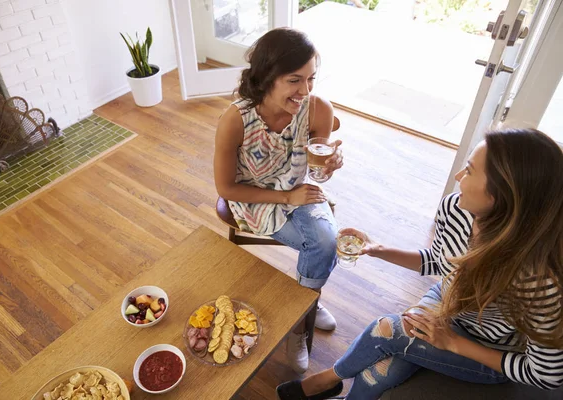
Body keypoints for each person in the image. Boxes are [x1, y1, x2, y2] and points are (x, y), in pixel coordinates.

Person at [277, 128, 563, 399]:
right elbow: (440, 262)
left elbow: (546, 375)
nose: (459, 176)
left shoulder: (541, 281)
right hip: (447, 301)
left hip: (488, 346)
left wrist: (452, 342)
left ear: (504, 193)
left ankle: (324, 381)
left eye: (471, 171)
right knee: (382, 368)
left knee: (388, 330)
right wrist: (377, 249)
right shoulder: (456, 209)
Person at [214, 28, 344, 374]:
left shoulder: (318, 110)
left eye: (311, 79)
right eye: (294, 80)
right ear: (266, 77)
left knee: (326, 243)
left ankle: (304, 307)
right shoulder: (235, 120)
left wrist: (327, 168)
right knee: (322, 245)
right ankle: (303, 316)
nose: (305, 91)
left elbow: (315, 173)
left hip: (297, 189)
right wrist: (286, 195)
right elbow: (226, 188)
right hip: (254, 198)